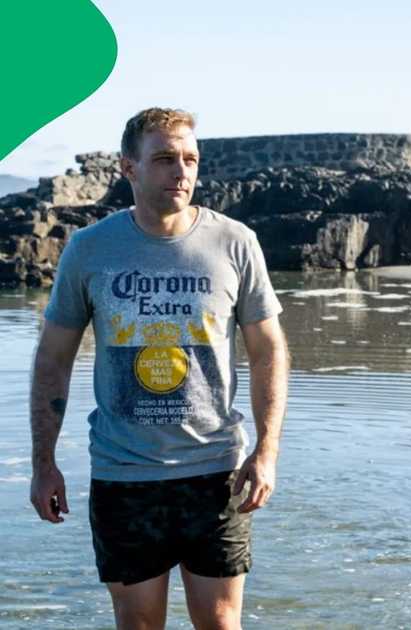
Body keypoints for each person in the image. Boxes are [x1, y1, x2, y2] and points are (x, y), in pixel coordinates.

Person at [28, 107, 290, 629]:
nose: (181, 171)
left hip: (216, 472)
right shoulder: (89, 250)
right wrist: (44, 463)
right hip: (123, 475)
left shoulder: (234, 243)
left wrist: (266, 451)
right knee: (139, 624)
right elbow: (53, 360)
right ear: (129, 168)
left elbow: (269, 350)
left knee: (220, 621)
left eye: (191, 159)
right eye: (165, 158)